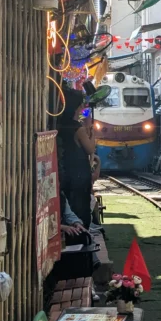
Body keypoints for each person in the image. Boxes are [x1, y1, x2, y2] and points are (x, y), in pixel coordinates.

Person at [56, 87, 94, 229]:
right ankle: (81, 232)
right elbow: (90, 149)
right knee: (80, 207)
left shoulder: (61, 124)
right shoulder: (78, 129)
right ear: (75, 107)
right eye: (80, 106)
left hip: (65, 171)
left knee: (69, 204)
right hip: (78, 175)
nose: (81, 109)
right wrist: (90, 128)